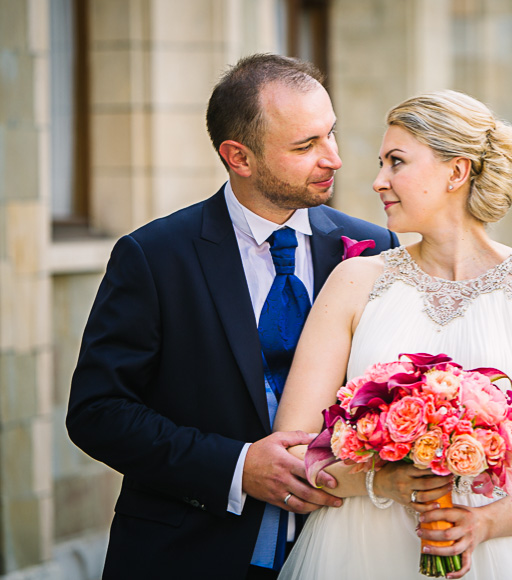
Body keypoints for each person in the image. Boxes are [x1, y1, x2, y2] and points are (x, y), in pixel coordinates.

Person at [65, 53, 398, 579]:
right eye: (305, 146)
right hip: (187, 554)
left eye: (330, 134)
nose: (333, 158)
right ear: (238, 157)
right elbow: (97, 412)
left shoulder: (374, 248)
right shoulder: (154, 257)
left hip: (340, 548)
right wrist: (237, 467)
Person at [273, 90, 512, 579]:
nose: (378, 181)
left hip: (495, 557)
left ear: (457, 172)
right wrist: (377, 481)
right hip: (357, 553)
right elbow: (293, 448)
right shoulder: (353, 282)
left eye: (396, 162)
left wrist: (481, 524)